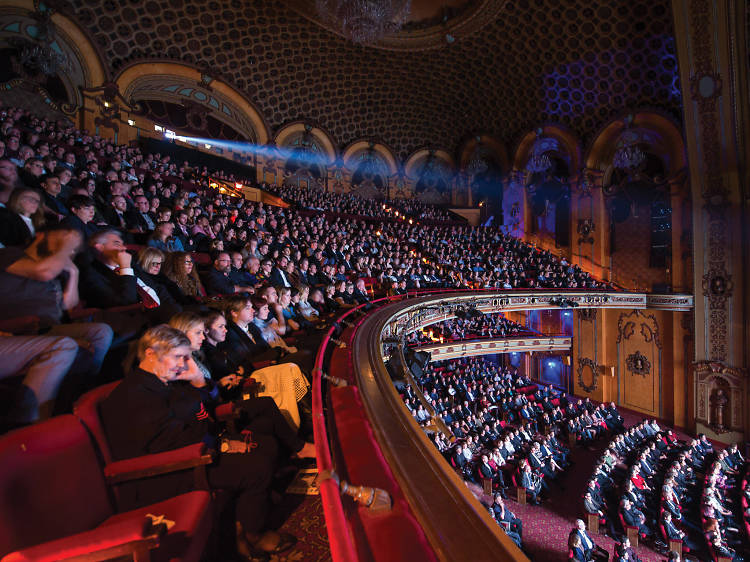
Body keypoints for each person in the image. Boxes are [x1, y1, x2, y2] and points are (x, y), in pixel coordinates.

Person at [99, 325, 301, 558]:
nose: (183, 364)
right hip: (159, 473)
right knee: (255, 466)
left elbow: (201, 413)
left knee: (265, 444)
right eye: (178, 357)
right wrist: (222, 444)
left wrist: (197, 381)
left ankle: (240, 528)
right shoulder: (135, 393)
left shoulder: (163, 381)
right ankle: (254, 535)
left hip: (187, 449)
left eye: (186, 357)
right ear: (151, 353)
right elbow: (167, 441)